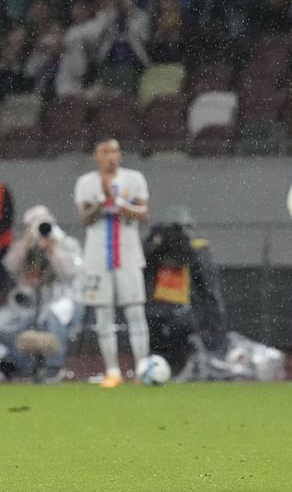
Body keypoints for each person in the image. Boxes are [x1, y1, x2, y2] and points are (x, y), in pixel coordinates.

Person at [74, 138, 150, 387]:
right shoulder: (86, 183)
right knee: (103, 315)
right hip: (97, 258)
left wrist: (117, 202)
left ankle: (142, 369)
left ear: (121, 154)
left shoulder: (134, 179)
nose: (110, 156)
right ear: (96, 155)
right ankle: (113, 372)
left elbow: (143, 213)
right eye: (105, 151)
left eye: (114, 151)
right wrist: (102, 201)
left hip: (128, 256)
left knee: (135, 312)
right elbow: (84, 219)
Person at [0, 205, 82, 382]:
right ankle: (24, 365)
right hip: (30, 305)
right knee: (3, 323)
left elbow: (70, 273)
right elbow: (10, 266)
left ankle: (53, 367)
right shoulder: (26, 245)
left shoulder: (67, 243)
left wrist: (52, 249)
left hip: (61, 300)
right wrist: (26, 243)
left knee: (53, 316)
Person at [143, 205, 227, 375]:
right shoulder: (192, 250)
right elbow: (210, 293)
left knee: (168, 341)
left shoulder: (158, 251)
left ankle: (175, 367)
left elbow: (207, 291)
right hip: (175, 313)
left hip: (169, 314)